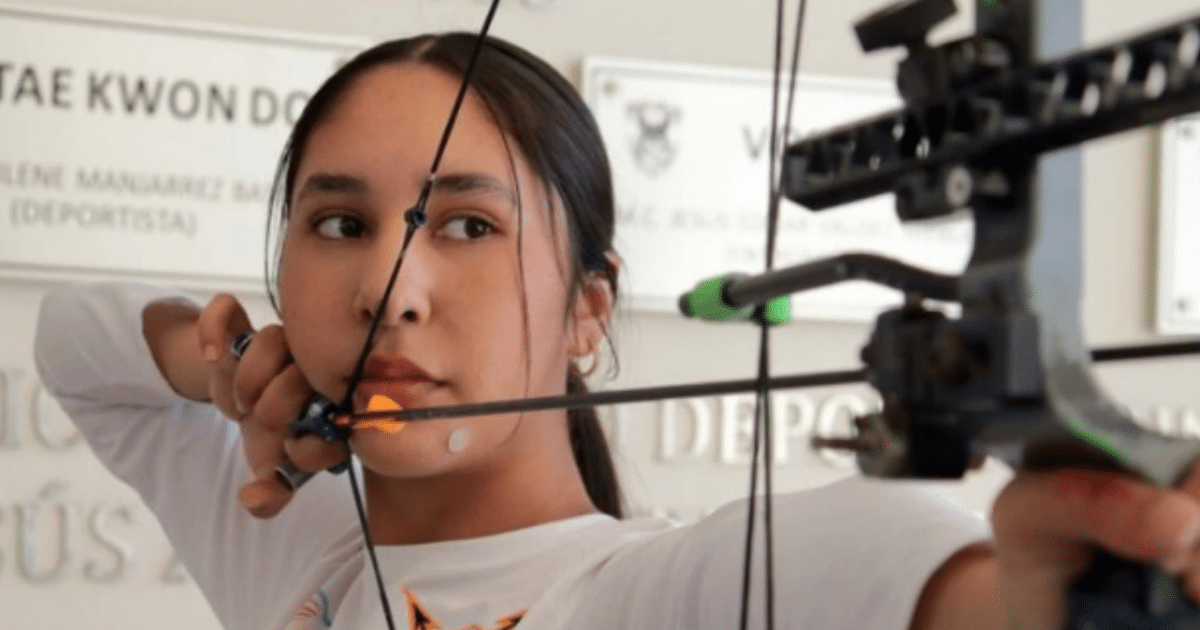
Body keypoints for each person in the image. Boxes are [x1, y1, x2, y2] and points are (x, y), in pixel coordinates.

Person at [33, 32, 1200, 630]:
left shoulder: (655, 593)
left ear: (589, 308)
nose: (390, 288)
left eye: (468, 226)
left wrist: (1066, 592)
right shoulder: (299, 552)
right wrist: (229, 362)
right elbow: (72, 342)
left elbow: (888, 568)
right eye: (341, 223)